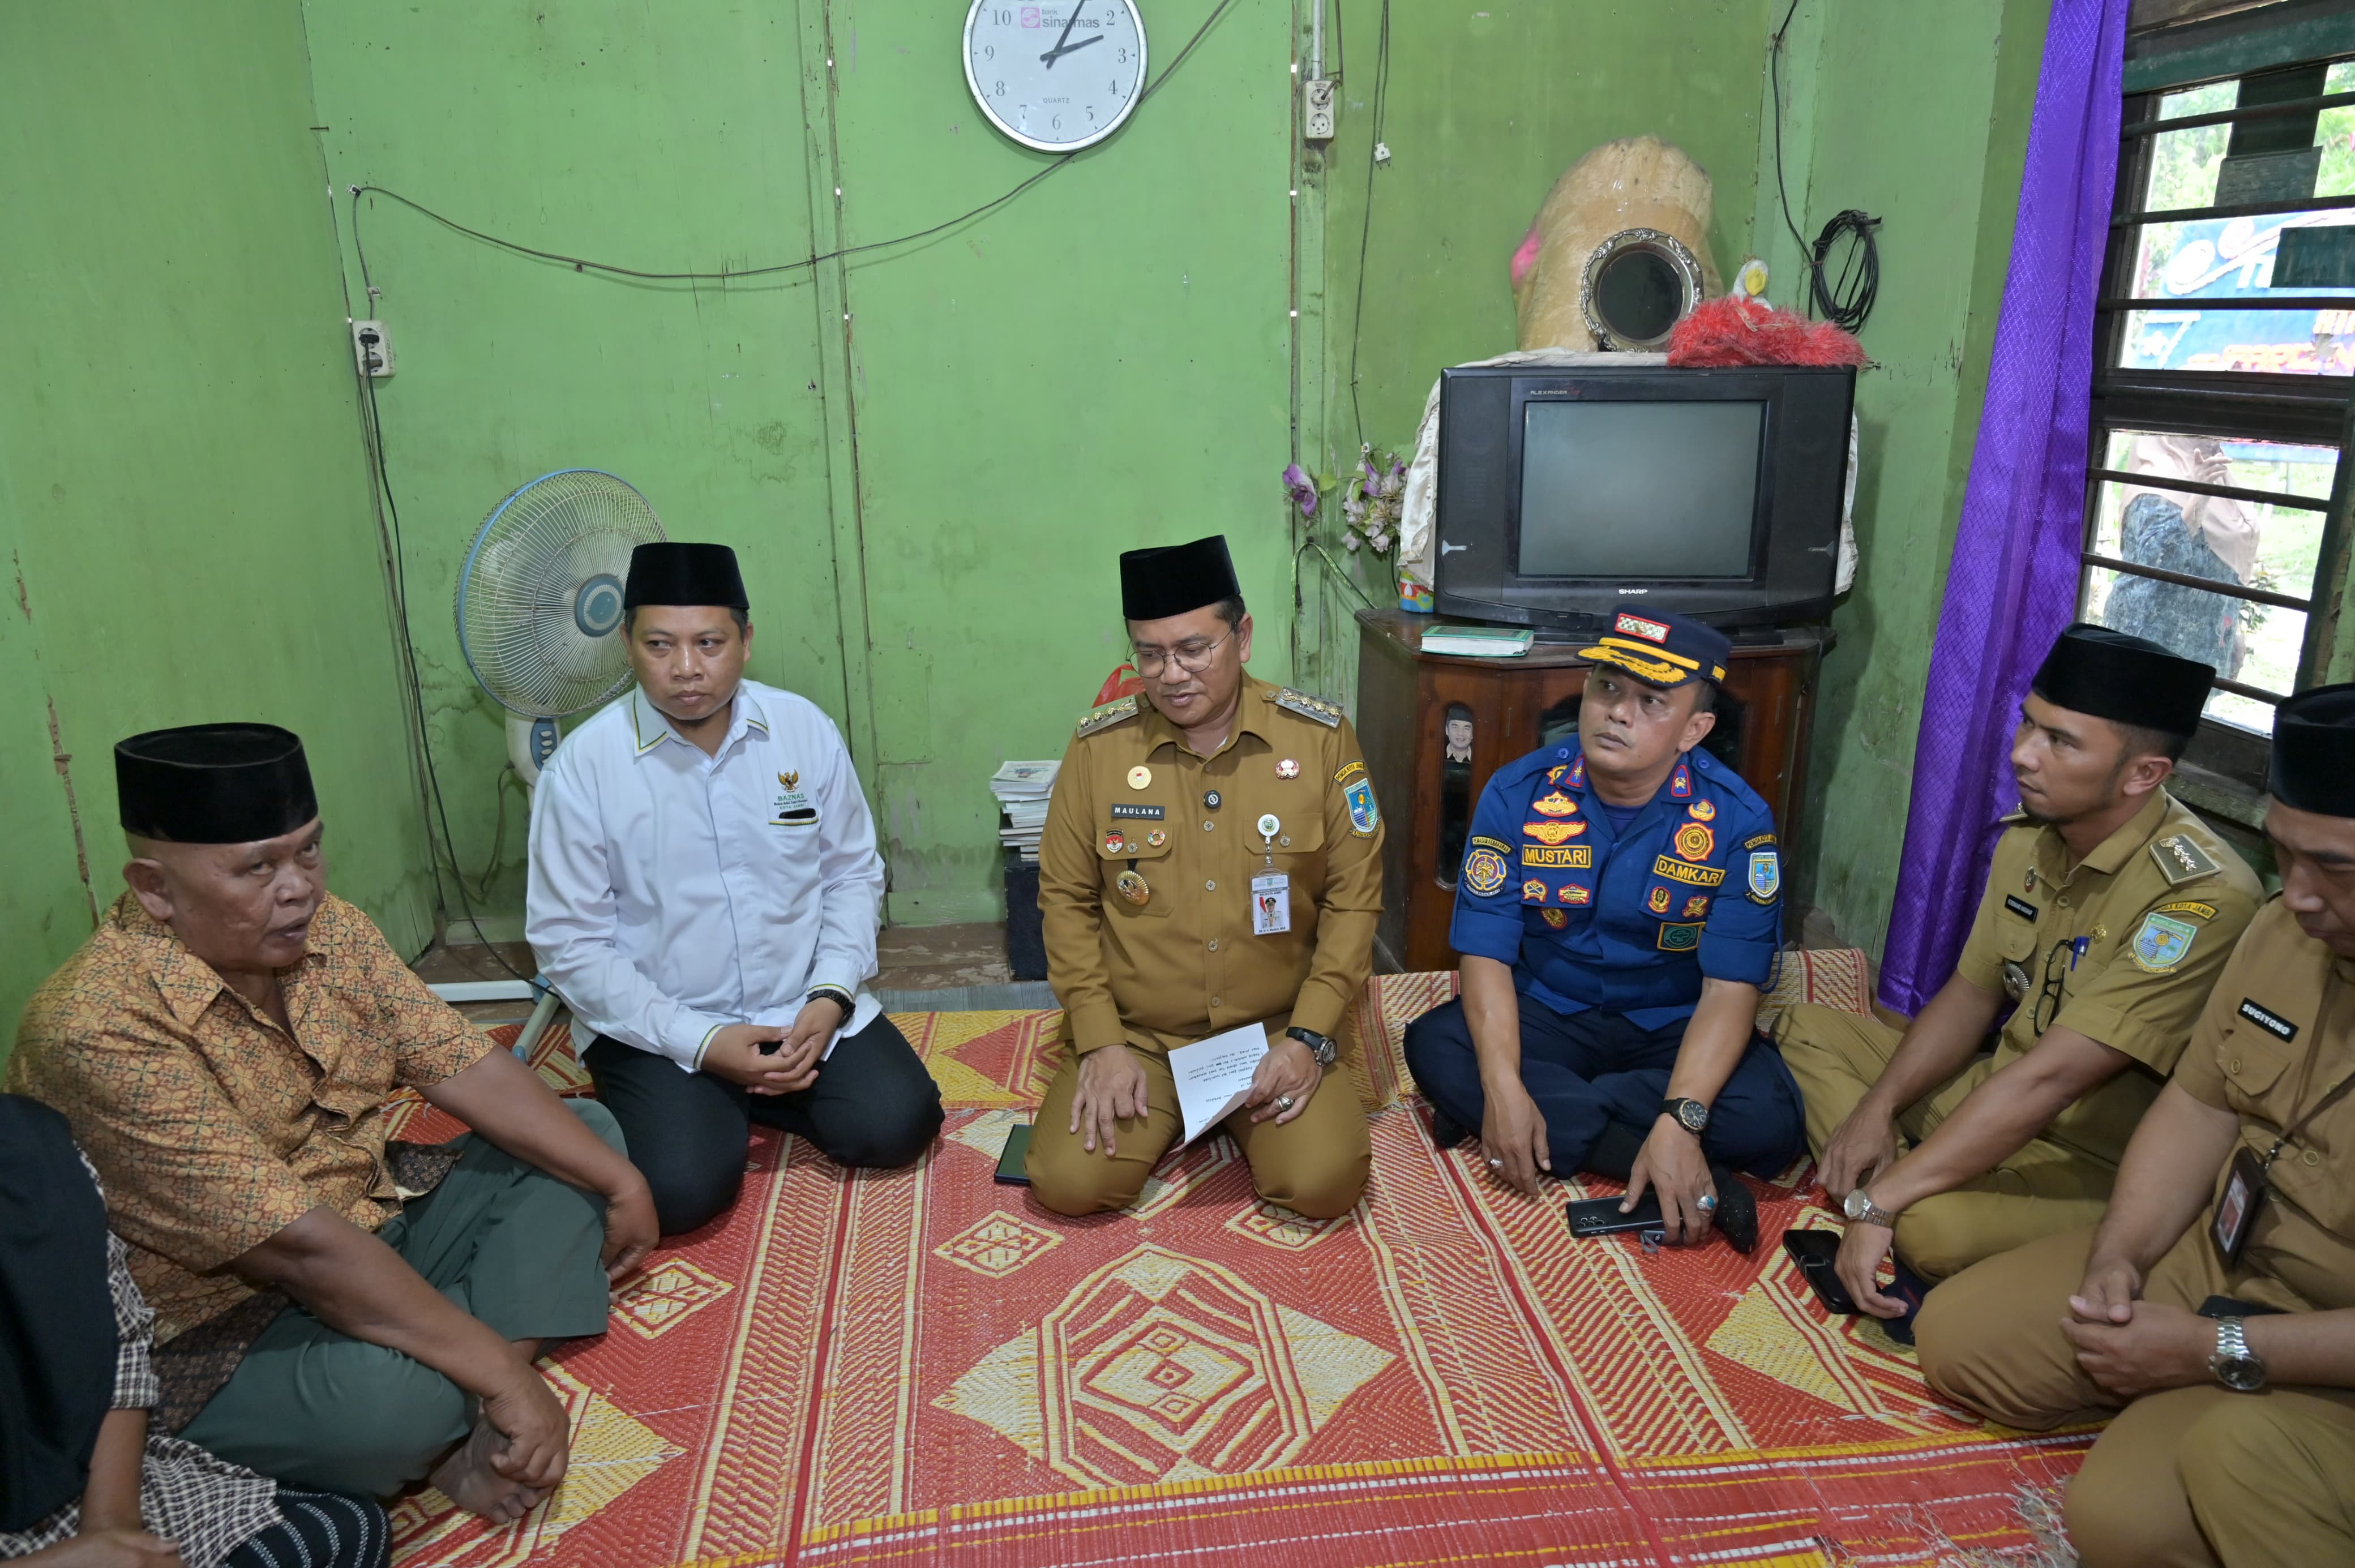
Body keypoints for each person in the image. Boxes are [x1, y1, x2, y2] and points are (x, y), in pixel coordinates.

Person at [6, 724, 654, 1523]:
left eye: (308, 850)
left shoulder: (330, 930)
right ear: (155, 889)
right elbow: (297, 1249)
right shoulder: (98, 1027)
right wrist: (505, 1375)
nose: (300, 889)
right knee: (391, 1409)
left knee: (584, 1135)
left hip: (373, 1219)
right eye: (258, 867)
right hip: (218, 1325)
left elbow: (460, 1062)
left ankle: (450, 1385)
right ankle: (453, 1395)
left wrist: (621, 1182)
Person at [1916, 684, 2355, 1568]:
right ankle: (2179, 1393)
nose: (2300, 895)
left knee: (2123, 1522)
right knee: (1960, 1340)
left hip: (2331, 1326)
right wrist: (2123, 1254)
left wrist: (2215, 1348)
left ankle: (2220, 1410)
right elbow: (2199, 1105)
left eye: (2334, 867)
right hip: (2222, 1256)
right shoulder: (2283, 932)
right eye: (2282, 854)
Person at [1778, 625, 2259, 1313]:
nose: (2021, 753)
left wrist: (1882, 1199)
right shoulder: (2031, 837)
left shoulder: (2200, 897)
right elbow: (1969, 995)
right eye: (2028, 724)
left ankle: (1905, 1183)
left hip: (2086, 1156)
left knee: (1925, 1229)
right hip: (1993, 1088)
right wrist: (1876, 1109)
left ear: (2142, 774)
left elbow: (2053, 1078)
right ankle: (1913, 1164)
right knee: (1800, 1023)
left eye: (2059, 741)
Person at [528, 542, 943, 1236]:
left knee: (899, 1124)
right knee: (682, 1190)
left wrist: (830, 995)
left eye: (709, 643)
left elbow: (850, 874)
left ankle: (748, 1093)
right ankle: (717, 1093)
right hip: (661, 1023)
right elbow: (570, 945)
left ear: (745, 641)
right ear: (627, 644)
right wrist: (703, 1041)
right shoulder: (583, 770)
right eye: (659, 644)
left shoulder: (801, 731)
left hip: (798, 1006)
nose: (686, 668)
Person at [1402, 609, 1803, 1253]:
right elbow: (1485, 954)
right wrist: (1502, 1085)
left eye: (1650, 701)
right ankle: (1664, 1157)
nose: (1617, 712)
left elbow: (1731, 990)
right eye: (1607, 687)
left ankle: (1565, 1117)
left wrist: (1681, 1116)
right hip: (1548, 1011)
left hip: (1670, 1025)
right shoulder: (1517, 793)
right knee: (1434, 1044)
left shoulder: (1736, 820)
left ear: (1694, 729)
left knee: (1770, 1118)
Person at [1025, 534, 1380, 1218]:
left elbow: (1354, 901)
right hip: (1142, 1036)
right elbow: (1065, 901)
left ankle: (1246, 1111)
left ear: (1241, 637)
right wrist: (1099, 1039)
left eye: (1193, 649)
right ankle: (1170, 1105)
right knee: (1069, 1182)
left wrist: (1309, 1036)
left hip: (1273, 1031)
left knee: (1321, 1183)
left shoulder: (1318, 739)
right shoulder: (1100, 748)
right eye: (1150, 654)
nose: (1171, 674)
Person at [1, 1094, 389, 1568]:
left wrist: (115, 1530)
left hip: (80, 1470)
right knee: (390, 1416)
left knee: (347, 1529)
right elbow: (301, 1245)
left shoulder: (27, 1147)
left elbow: (115, 1339)